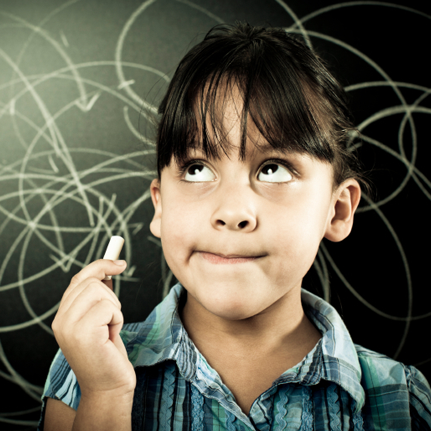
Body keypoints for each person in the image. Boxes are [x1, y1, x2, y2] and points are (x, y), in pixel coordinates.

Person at [38, 23, 431, 430]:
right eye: (196, 169)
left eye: (273, 169)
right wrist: (105, 396)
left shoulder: (404, 399)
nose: (231, 211)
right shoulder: (86, 370)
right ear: (160, 205)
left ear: (337, 211)